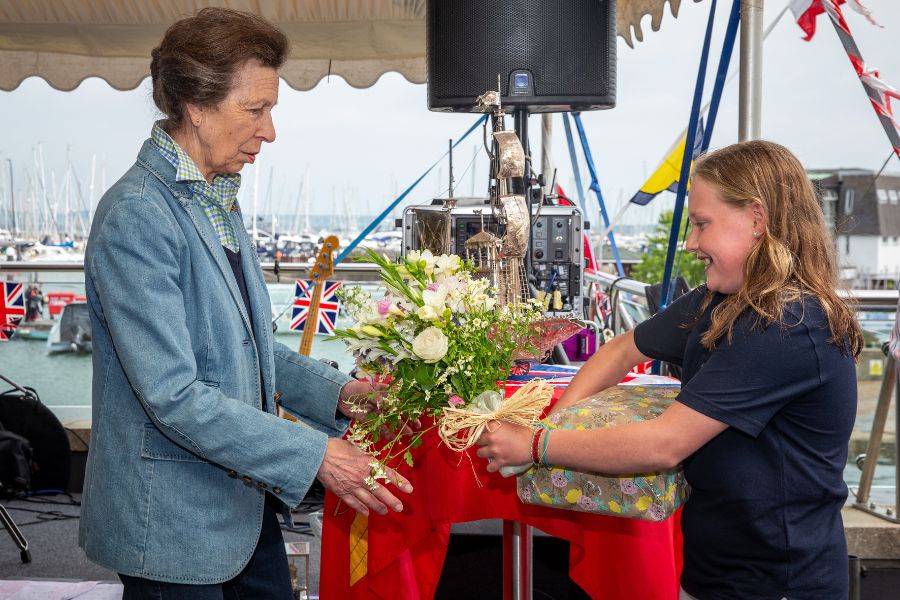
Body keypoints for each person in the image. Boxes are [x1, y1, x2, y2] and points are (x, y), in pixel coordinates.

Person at [79, 8, 412, 599]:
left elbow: (244, 344)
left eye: (271, 111)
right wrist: (317, 454)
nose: (270, 131)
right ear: (196, 106)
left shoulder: (216, 199)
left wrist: (338, 394)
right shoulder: (138, 215)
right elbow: (173, 395)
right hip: (174, 527)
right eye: (255, 110)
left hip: (242, 504)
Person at [477, 140, 863, 600]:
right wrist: (561, 418)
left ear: (757, 220)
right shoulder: (720, 301)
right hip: (716, 569)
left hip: (777, 583)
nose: (692, 242)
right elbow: (623, 349)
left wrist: (536, 442)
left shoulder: (789, 324)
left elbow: (664, 445)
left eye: (702, 224)